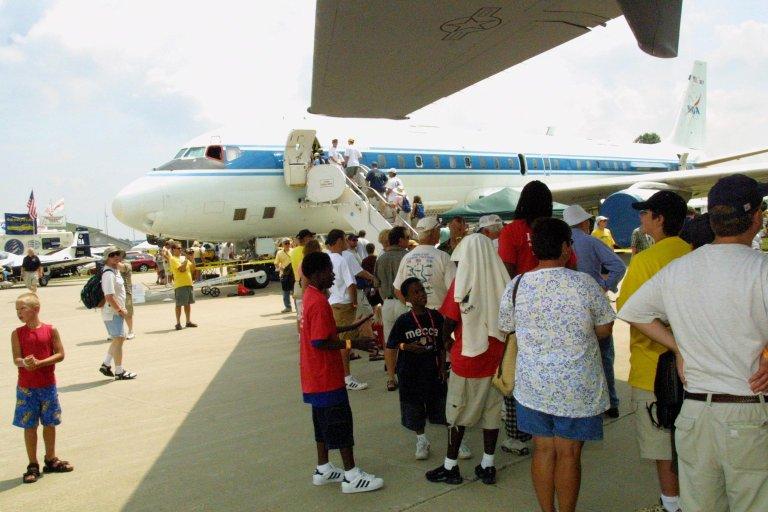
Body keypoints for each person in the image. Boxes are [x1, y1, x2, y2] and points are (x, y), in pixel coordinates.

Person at [618, 174, 768, 512]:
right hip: (746, 412)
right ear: (756, 217)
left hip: (694, 413)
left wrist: (678, 346)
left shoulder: (680, 269)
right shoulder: (761, 269)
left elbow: (633, 311)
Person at [498, 218, 614, 512]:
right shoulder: (585, 284)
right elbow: (604, 329)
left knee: (543, 450)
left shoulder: (517, 286)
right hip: (577, 387)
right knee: (569, 454)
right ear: (565, 247)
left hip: (533, 387)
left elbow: (506, 328)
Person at [615, 190, 689, 512]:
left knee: (663, 447)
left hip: (653, 370)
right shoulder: (694, 254)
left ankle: (670, 506)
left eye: (646, 213)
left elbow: (626, 308)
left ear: (659, 219)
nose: (641, 219)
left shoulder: (646, 261)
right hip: (698, 368)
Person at [497, 180, 574, 454]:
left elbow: (506, 272)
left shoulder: (511, 231)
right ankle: (560, 424)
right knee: (558, 364)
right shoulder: (556, 230)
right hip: (559, 309)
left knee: (517, 367)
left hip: (525, 309)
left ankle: (519, 434)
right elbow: (571, 266)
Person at [426, 234, 509, 486]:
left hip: (468, 359)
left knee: (456, 413)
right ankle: (488, 464)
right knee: (491, 414)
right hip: (497, 360)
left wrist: (447, 344)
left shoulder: (462, 282)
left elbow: (448, 322)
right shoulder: (502, 279)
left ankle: (450, 467)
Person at [298, 251, 383, 493]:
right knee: (341, 425)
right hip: (326, 376)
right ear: (317, 273)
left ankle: (323, 468)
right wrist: (353, 343)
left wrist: (352, 326)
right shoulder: (320, 302)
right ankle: (351, 476)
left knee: (322, 425)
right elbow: (320, 341)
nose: (334, 275)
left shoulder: (309, 298)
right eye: (329, 270)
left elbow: (323, 330)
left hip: (313, 377)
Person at [563, 204, 626, 418]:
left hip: (569, 308)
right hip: (595, 305)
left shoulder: (560, 245)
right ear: (583, 222)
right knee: (604, 354)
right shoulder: (591, 241)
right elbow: (619, 266)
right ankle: (611, 402)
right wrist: (606, 285)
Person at [12, 292, 73, 484]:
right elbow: (16, 359)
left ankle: (50, 458)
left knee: (49, 423)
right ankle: (32, 464)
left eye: (22, 308)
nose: (19, 312)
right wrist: (25, 362)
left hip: (47, 386)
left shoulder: (50, 330)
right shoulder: (17, 333)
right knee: (29, 426)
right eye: (17, 309)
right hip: (26, 389)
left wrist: (40, 363)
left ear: (36, 309)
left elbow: (60, 354)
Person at [386, 277, 447, 460]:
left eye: (422, 290)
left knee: (443, 409)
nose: (421, 294)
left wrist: (443, 368)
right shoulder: (403, 321)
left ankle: (456, 442)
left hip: (433, 372)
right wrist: (392, 375)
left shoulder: (435, 316)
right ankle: (421, 439)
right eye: (416, 292)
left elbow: (442, 346)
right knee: (415, 409)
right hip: (410, 374)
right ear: (407, 299)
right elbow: (392, 347)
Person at [326, 229, 368, 391]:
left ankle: (339, 375)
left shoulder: (328, 258)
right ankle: (347, 378)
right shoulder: (342, 260)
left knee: (337, 341)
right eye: (343, 240)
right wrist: (355, 303)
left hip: (333, 302)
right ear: (337, 241)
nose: (346, 242)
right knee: (345, 343)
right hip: (344, 304)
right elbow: (351, 284)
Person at [374, 226, 411, 390]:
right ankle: (407, 374)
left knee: (390, 342)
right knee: (409, 339)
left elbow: (377, 283)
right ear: (400, 240)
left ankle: (391, 378)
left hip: (387, 303)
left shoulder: (381, 259)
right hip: (404, 302)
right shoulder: (407, 256)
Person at [98, 246, 137, 380]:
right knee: (119, 339)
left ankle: (106, 364)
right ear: (107, 258)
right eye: (112, 255)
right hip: (113, 313)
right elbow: (109, 296)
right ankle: (119, 371)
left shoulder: (115, 271)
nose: (116, 256)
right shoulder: (108, 274)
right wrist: (120, 310)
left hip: (115, 312)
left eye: (118, 254)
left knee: (118, 339)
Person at [343, 233, 378, 362]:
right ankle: (373, 351)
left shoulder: (338, 255)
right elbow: (359, 272)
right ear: (344, 241)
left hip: (343, 295)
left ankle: (350, 351)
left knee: (350, 323)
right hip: (355, 291)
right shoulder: (348, 255)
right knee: (366, 318)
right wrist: (374, 278)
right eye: (352, 239)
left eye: (356, 239)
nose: (355, 241)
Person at [167, 242, 197, 330]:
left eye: (181, 248)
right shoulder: (173, 259)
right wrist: (187, 259)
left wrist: (192, 258)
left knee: (187, 304)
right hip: (180, 285)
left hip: (188, 283)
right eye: (178, 248)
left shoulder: (183, 258)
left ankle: (188, 321)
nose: (180, 249)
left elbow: (193, 268)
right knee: (179, 305)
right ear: (173, 249)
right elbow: (181, 269)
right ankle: (178, 323)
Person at [291, 229, 316, 328]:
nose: (313, 239)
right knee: (311, 312)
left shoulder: (293, 251)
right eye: (311, 237)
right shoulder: (307, 252)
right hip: (307, 285)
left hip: (297, 284)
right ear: (306, 238)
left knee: (300, 314)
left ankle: (301, 336)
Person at [274, 238, 294, 313]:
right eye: (285, 243)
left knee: (295, 292)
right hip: (285, 274)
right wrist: (280, 267)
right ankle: (288, 307)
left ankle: (298, 307)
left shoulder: (293, 251)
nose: (287, 245)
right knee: (286, 292)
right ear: (282, 244)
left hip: (293, 274)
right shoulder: (279, 253)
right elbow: (276, 262)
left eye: (288, 243)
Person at [118, 260, 136, 340]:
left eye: (116, 254)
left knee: (128, 313)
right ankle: (117, 332)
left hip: (126, 292)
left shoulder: (127, 263)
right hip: (115, 292)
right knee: (116, 312)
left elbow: (122, 268)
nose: (115, 256)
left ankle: (131, 331)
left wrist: (112, 261)